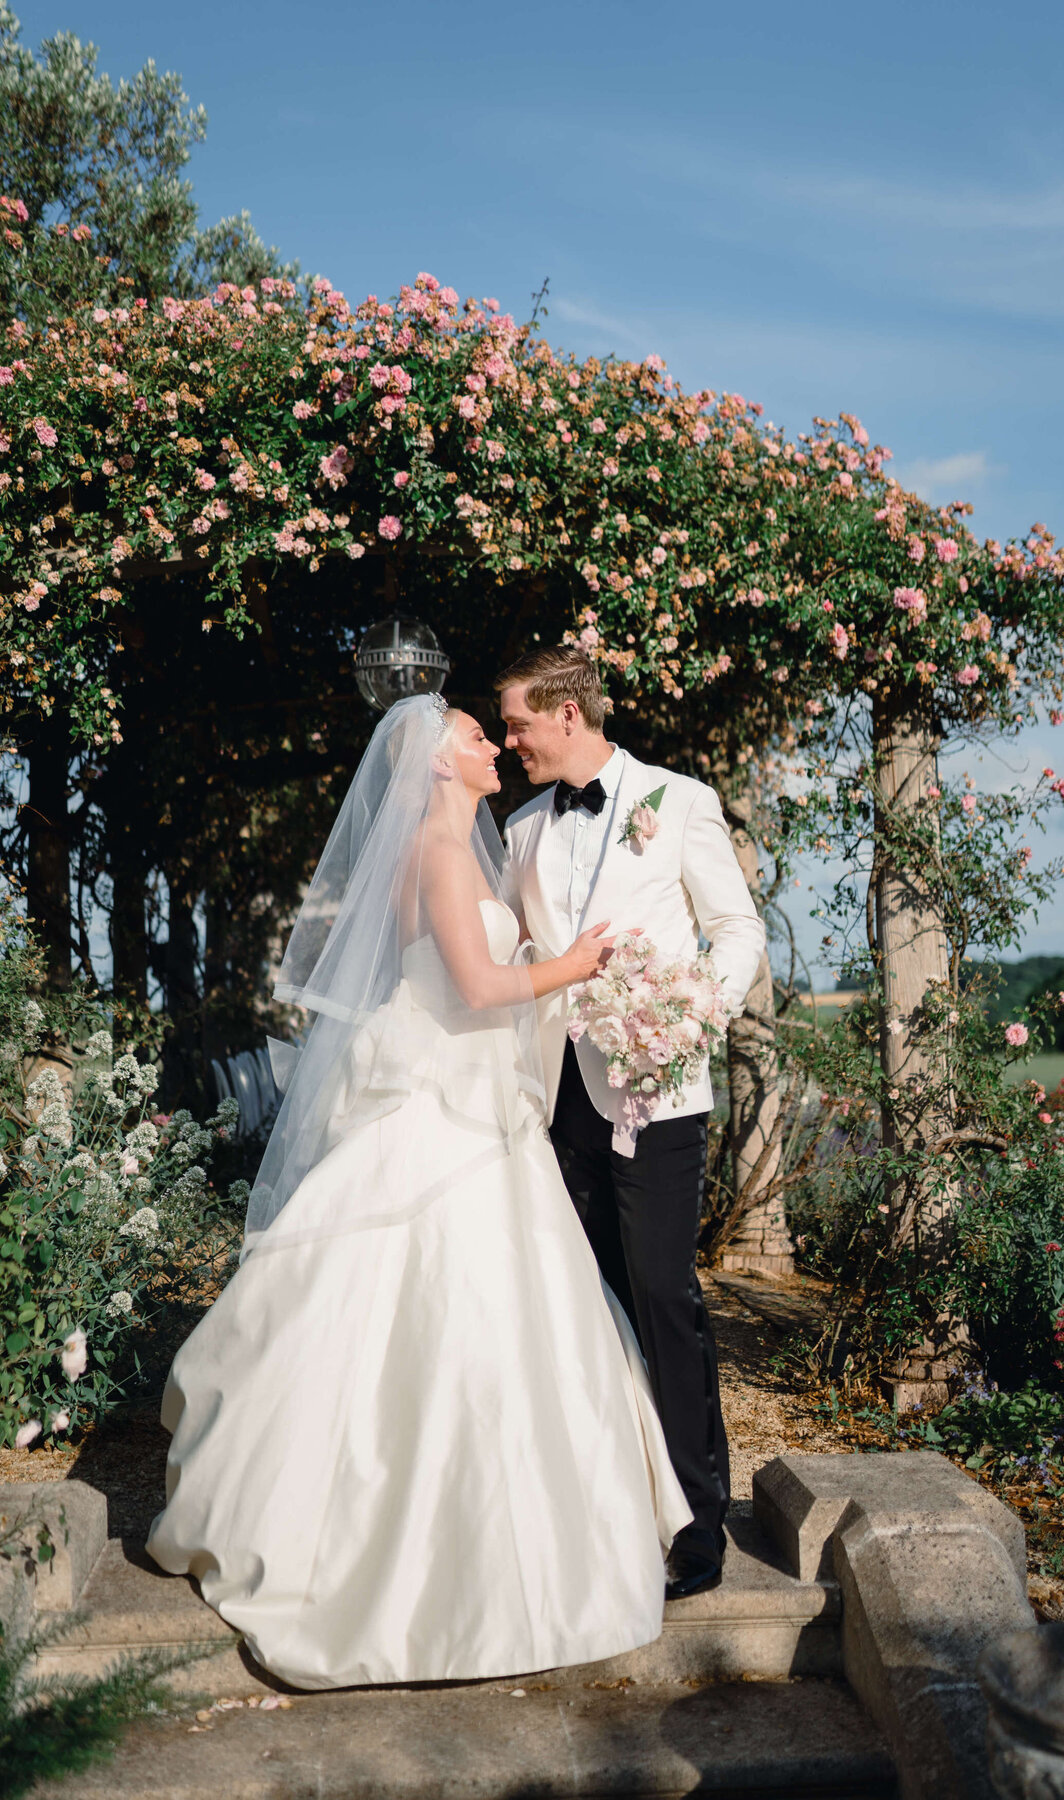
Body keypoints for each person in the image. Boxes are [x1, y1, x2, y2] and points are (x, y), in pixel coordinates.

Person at [146, 694, 691, 1691]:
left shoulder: (455, 853)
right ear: (439, 766)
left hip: (475, 1100)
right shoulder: (438, 857)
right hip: (445, 1108)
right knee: (448, 1298)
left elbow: (464, 980)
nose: (492, 746)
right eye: (475, 736)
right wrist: (573, 964)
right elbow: (478, 990)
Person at [497, 646, 766, 1600]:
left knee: (663, 1295)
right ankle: (610, 1506)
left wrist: (694, 1017)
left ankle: (699, 1523)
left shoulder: (679, 801)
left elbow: (738, 931)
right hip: (554, 1100)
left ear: (568, 714)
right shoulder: (522, 828)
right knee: (584, 1304)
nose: (509, 739)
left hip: (656, 1094)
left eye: (519, 722)